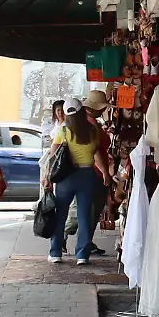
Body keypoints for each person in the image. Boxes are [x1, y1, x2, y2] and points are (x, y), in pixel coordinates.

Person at [43, 98, 107, 265]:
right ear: (81, 112)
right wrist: (105, 172)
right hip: (87, 176)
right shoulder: (93, 131)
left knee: (61, 214)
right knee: (84, 216)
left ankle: (56, 252)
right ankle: (82, 255)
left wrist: (47, 176)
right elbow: (95, 152)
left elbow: (53, 156)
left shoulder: (63, 132)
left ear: (66, 113)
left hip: (66, 177)